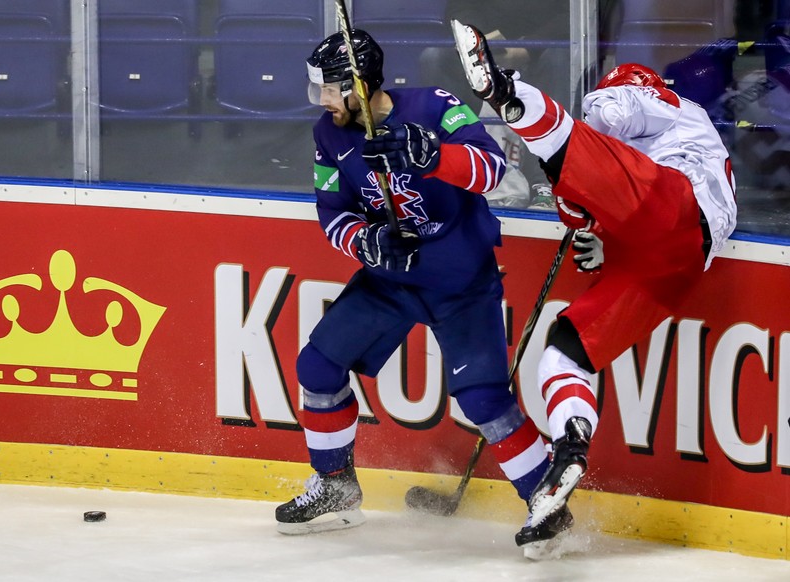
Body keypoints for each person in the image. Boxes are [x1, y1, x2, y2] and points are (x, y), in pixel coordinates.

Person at [452, 21, 738, 553]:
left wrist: (584, 127)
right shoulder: (656, 152)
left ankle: (506, 91)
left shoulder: (663, 103)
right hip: (672, 260)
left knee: (565, 135)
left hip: (675, 207)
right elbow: (584, 210)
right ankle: (569, 450)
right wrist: (582, 201)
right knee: (564, 354)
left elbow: (609, 116)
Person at [275, 29, 552, 535]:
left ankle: (547, 498)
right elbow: (332, 211)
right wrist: (367, 241)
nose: (322, 101)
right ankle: (335, 483)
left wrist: (432, 153)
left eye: (329, 90)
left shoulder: (434, 106)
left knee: (484, 399)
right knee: (316, 366)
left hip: (460, 281)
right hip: (391, 280)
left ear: (359, 85)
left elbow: (492, 169)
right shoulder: (329, 134)